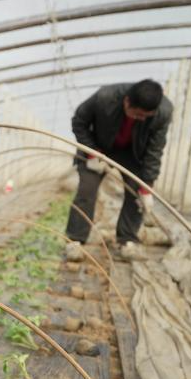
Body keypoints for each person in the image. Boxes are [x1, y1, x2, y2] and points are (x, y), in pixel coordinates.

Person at [65, 79, 173, 260]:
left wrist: (146, 188)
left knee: (135, 194)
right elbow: (79, 122)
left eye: (146, 116)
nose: (142, 119)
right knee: (86, 191)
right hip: (98, 146)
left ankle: (127, 241)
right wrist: (92, 153)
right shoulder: (105, 97)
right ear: (127, 102)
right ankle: (75, 241)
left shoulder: (163, 112)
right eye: (138, 115)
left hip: (132, 154)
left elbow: (154, 150)